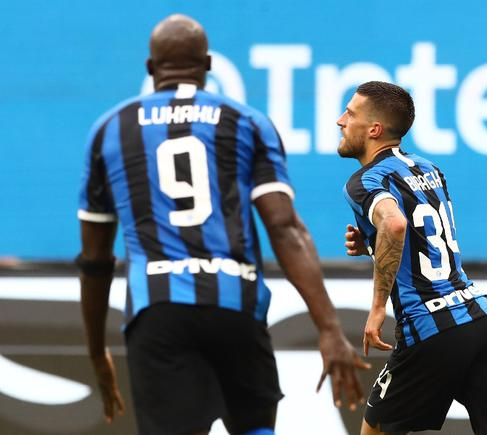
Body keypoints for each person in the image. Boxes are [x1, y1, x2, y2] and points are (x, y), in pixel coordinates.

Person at [76, 14, 368, 435]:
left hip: (159, 311)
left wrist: (95, 351)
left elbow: (95, 260)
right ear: (209, 65)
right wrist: (329, 328)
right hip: (235, 306)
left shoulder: (109, 130)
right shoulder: (248, 122)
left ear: (150, 67)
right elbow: (285, 228)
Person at [337, 81, 487, 435]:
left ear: (374, 129)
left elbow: (394, 225)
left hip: (430, 327)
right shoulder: (429, 169)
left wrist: (377, 307)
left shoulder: (364, 181)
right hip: (479, 319)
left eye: (349, 114)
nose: (340, 121)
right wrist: (372, 245)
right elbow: (424, 240)